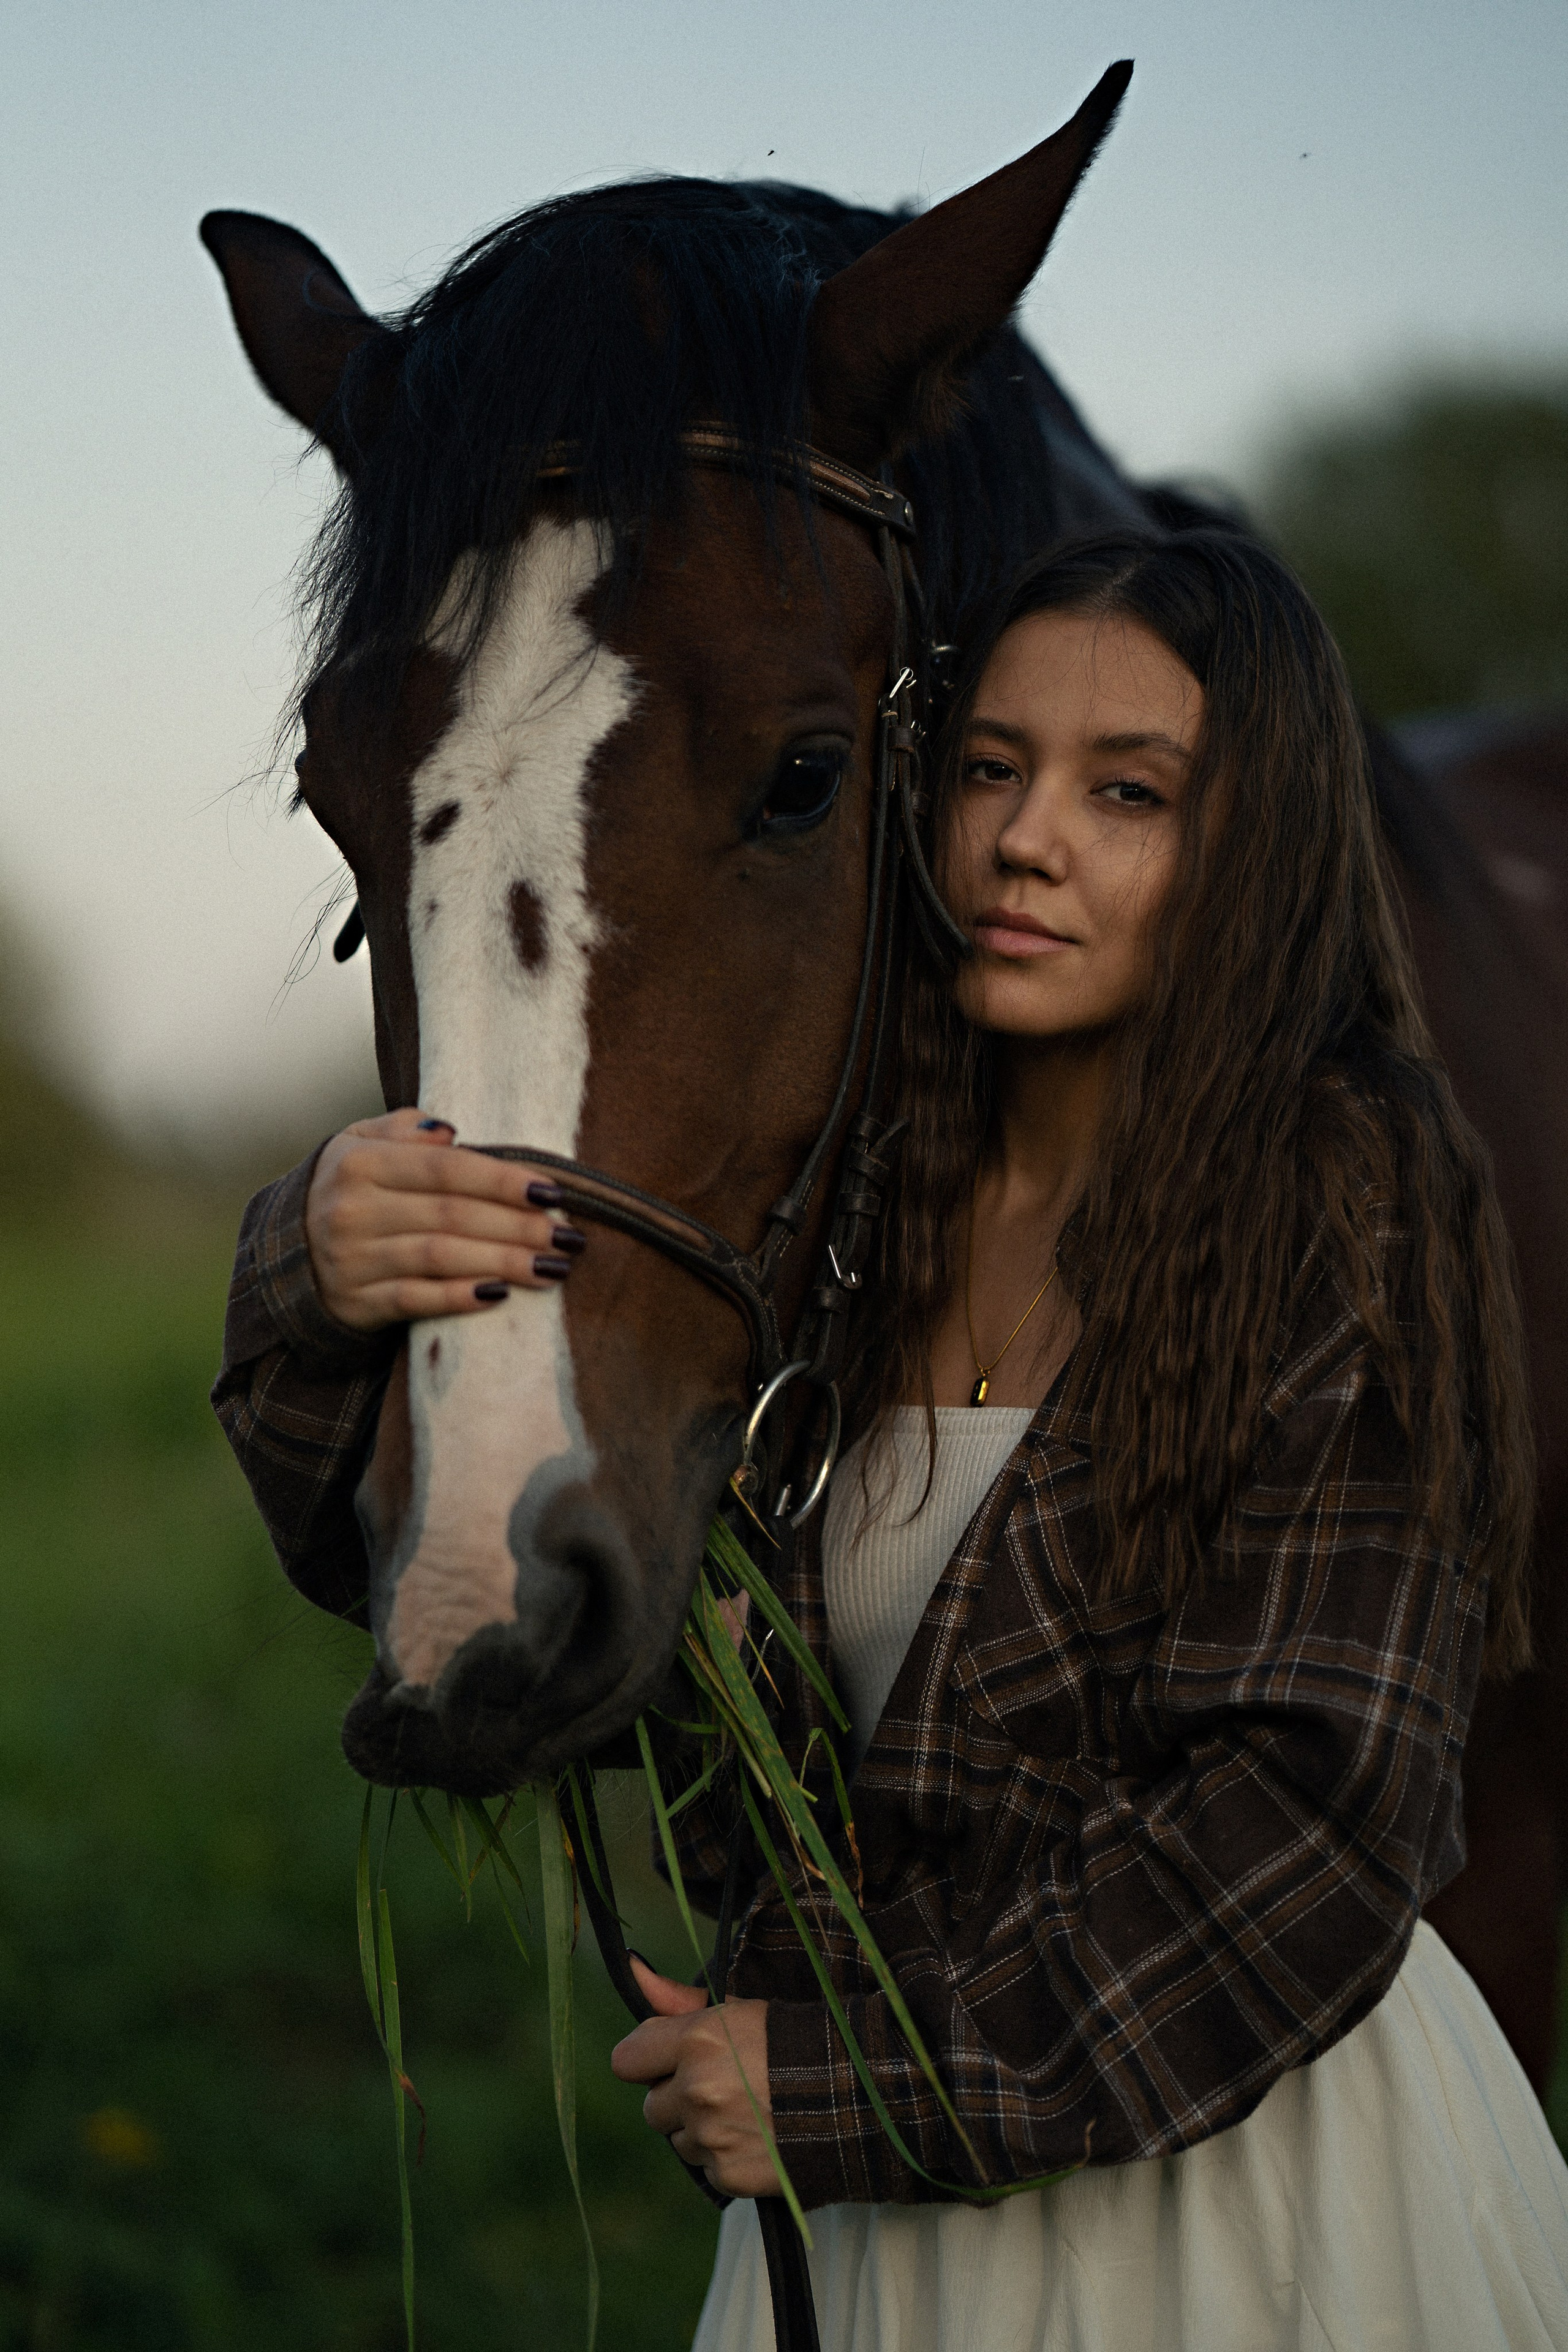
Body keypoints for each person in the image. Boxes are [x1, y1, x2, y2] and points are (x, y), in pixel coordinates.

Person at [211, 526, 1568, 2351]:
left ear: (1251, 849)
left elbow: (1314, 1819)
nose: (1027, 839)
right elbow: (479, 1585)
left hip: (1258, 2198)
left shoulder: (1347, 1192)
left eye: (1131, 791)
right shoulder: (854, 1215)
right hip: (859, 2243)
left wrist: (865, 2091)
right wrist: (321, 1274)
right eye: (993, 769)